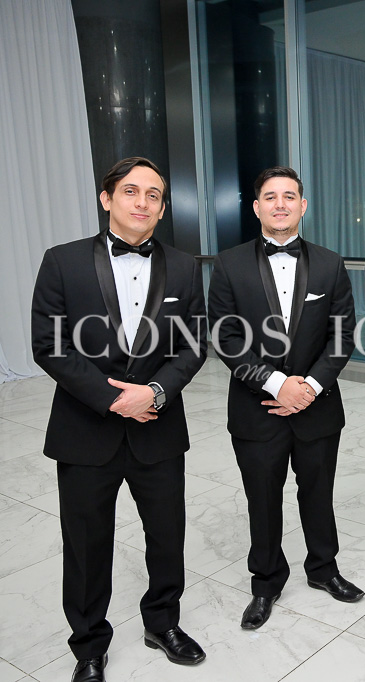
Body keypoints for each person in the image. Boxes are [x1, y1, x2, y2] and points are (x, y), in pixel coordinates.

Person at [31, 157, 208, 682]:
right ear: (106, 198)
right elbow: (49, 345)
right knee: (86, 544)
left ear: (162, 208)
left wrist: (155, 391)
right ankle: (88, 646)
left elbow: (194, 344)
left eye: (153, 194)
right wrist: (112, 399)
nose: (142, 202)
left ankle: (163, 623)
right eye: (131, 191)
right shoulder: (61, 261)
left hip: (159, 426)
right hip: (85, 430)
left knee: (167, 536)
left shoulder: (184, 266)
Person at [207, 166, 363, 629]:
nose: (281, 204)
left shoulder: (330, 263)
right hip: (256, 407)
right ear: (257, 207)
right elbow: (226, 336)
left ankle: (324, 569)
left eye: (289, 196)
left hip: (318, 406)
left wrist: (309, 386)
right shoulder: (229, 264)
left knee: (318, 494)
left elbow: (342, 334)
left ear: (303, 205)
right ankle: (266, 582)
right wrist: (277, 384)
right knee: (262, 499)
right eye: (271, 197)